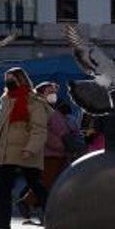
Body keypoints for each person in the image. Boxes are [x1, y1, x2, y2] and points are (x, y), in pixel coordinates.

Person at [0, 67, 52, 229]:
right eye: (6, 78)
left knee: (36, 186)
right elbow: (2, 126)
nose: (8, 82)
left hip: (26, 151)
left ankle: (54, 217)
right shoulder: (6, 99)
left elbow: (39, 129)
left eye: (12, 79)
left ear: (21, 79)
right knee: (4, 190)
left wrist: (30, 149)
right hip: (7, 151)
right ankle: (2, 227)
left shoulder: (34, 101)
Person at [18, 84, 69, 220]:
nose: (53, 94)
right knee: (47, 182)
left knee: (50, 182)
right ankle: (27, 202)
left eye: (54, 91)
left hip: (56, 152)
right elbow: (44, 133)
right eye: (49, 91)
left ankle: (35, 204)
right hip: (50, 153)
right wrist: (59, 145)